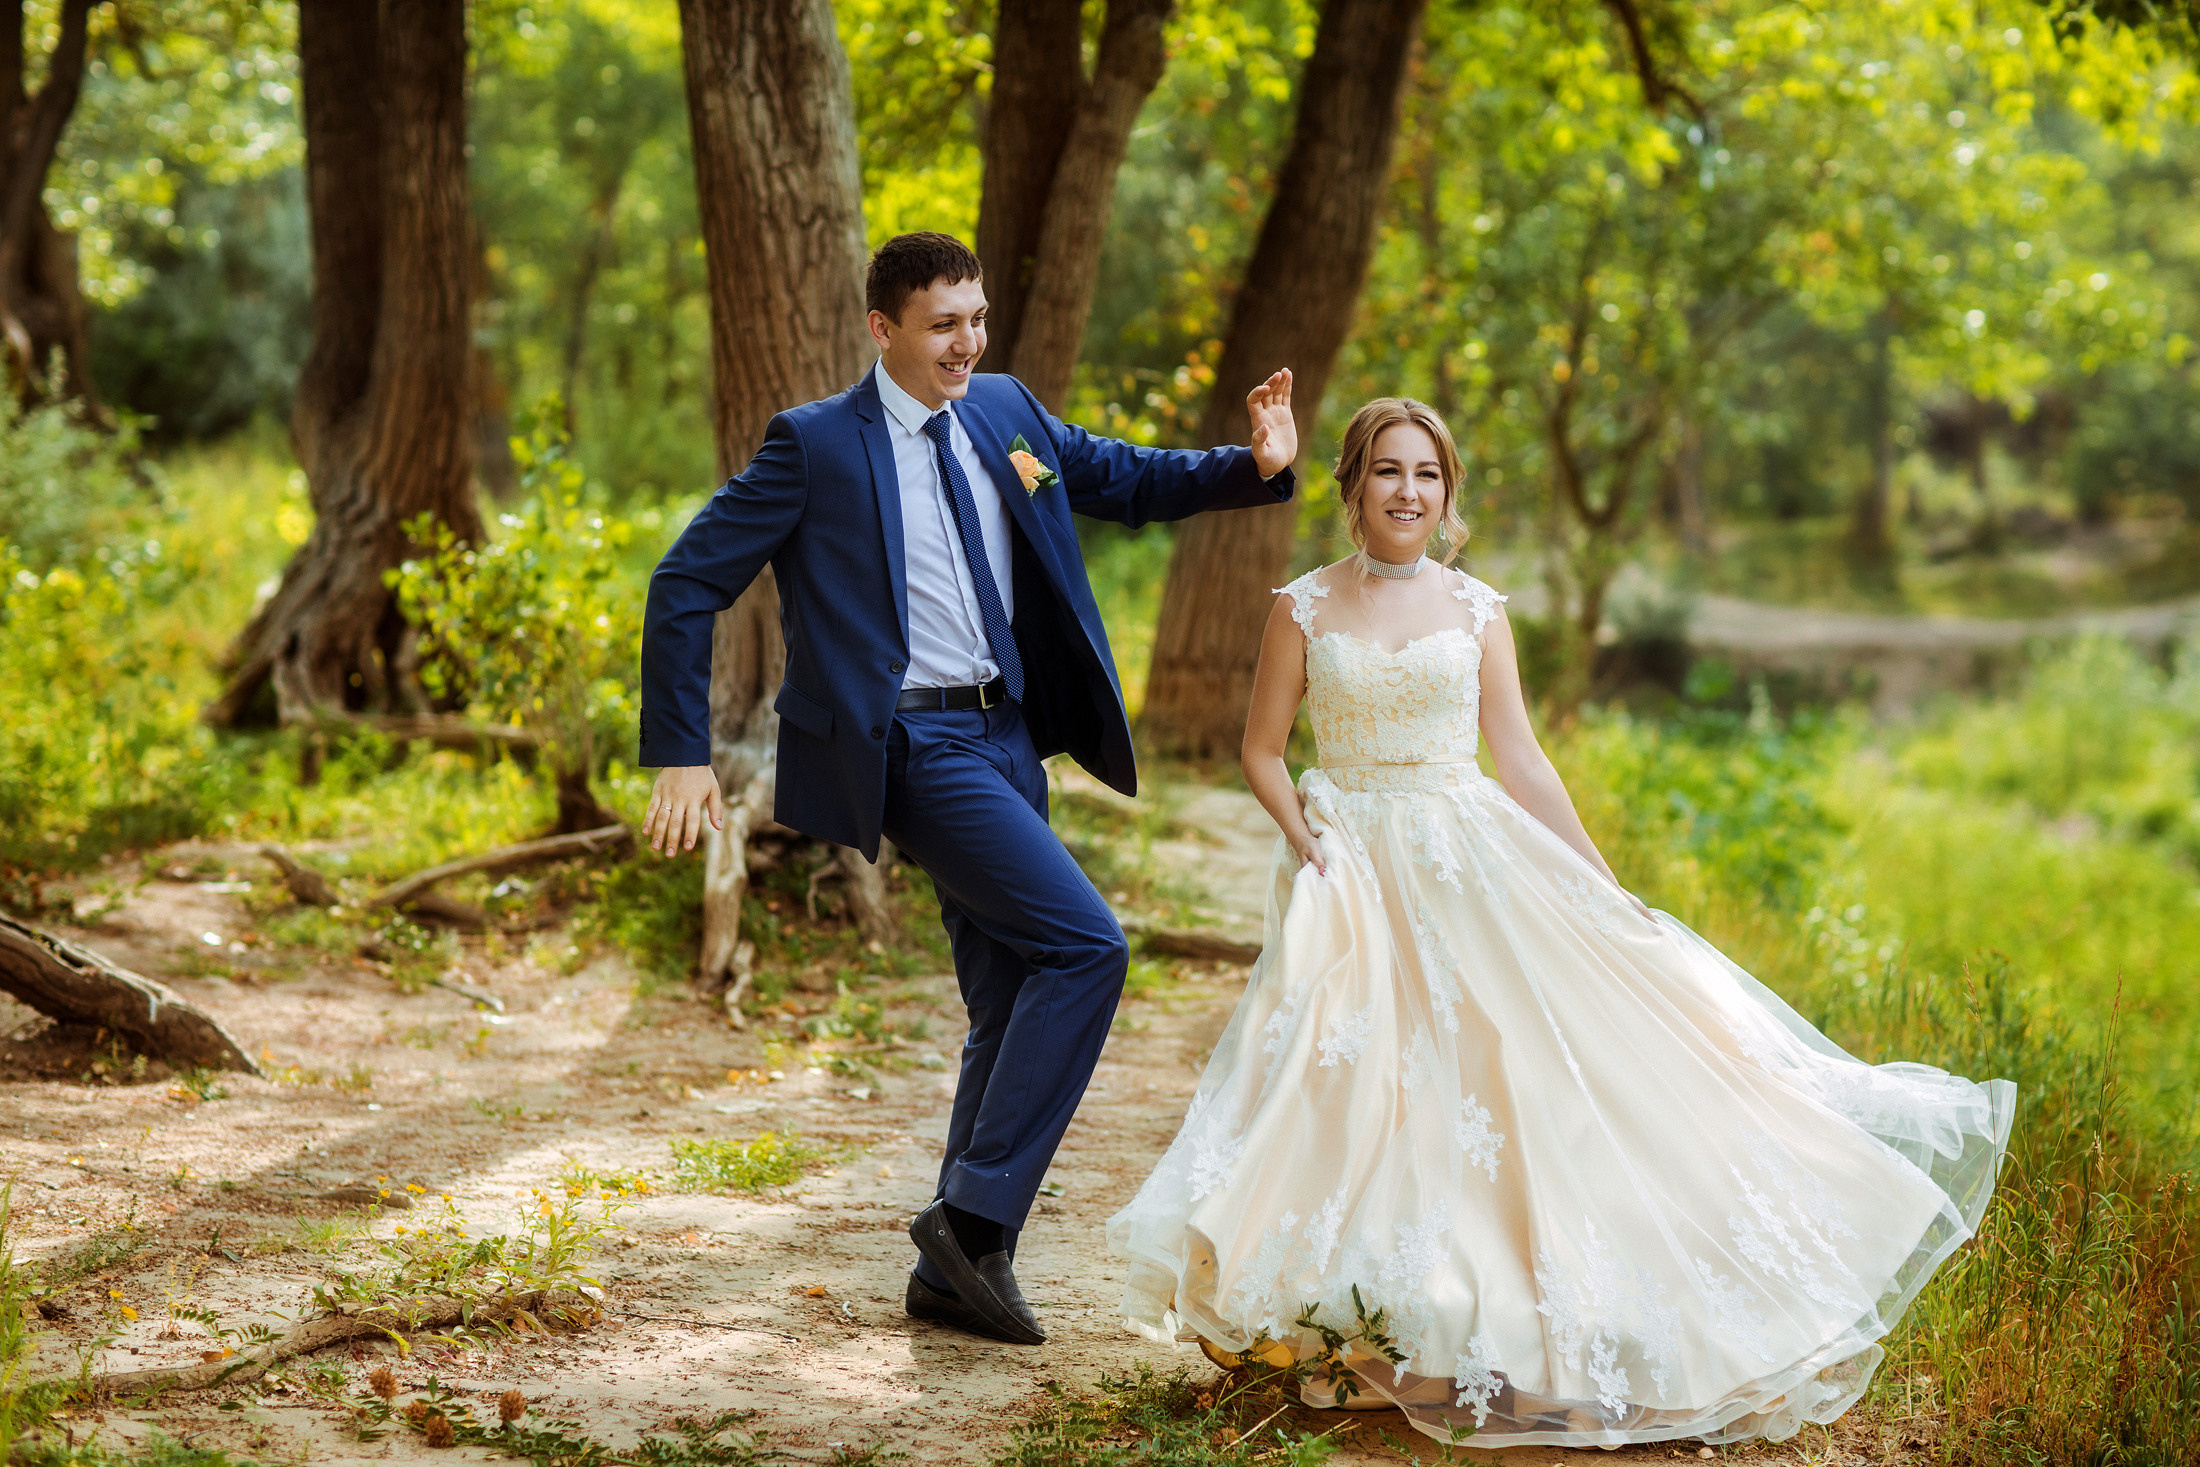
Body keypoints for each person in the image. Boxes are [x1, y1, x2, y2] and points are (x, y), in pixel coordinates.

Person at [1106, 397, 2014, 1447]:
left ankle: (1507, 1326)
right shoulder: (1301, 607)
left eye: (1427, 474)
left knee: (1504, 1076)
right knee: (1356, 1080)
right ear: (1353, 484)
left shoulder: (1477, 610)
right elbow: (1260, 749)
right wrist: (1308, 837)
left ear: (1447, 493)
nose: (1407, 491)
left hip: (1464, 855)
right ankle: (1359, 1326)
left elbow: (1522, 758)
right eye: (1388, 470)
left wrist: (1600, 882)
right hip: (1354, 862)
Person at [637, 232, 1298, 1348]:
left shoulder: (1004, 411)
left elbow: (1125, 477)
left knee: (1010, 993)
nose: (967, 342)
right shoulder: (815, 445)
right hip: (910, 746)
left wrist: (1255, 465)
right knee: (1087, 948)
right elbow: (685, 579)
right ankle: (975, 1216)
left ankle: (957, 1272)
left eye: (977, 317)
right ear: (882, 327)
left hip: (1007, 738)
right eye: (943, 323)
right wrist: (680, 749)